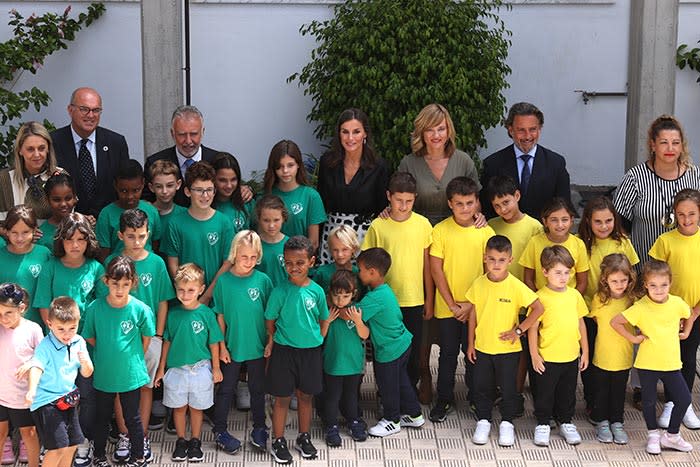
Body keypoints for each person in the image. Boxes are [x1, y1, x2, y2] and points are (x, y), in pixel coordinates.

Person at [32, 213, 104, 467]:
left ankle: (81, 441)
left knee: (86, 395)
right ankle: (52, 442)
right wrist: (59, 337)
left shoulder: (95, 268)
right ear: (60, 240)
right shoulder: (51, 266)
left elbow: (100, 306)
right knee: (54, 397)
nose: (75, 245)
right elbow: (43, 305)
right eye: (70, 239)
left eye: (81, 240)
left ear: (89, 242)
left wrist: (80, 341)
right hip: (55, 347)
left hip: (84, 345)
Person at [105, 208, 175, 461]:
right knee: (119, 388)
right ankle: (124, 435)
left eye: (142, 236)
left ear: (149, 234)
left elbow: (164, 301)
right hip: (119, 340)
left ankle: (141, 437)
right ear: (120, 234)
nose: (137, 242)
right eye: (131, 236)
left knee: (145, 387)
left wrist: (157, 335)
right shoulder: (113, 261)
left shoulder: (156, 263)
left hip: (148, 338)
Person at [611, 260, 697, 454]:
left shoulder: (676, 303)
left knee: (683, 399)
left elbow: (690, 314)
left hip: (672, 363)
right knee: (648, 401)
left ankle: (672, 436)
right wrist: (633, 337)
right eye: (653, 285)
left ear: (670, 283)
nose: (659, 290)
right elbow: (615, 322)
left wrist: (687, 332)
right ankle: (653, 434)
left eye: (664, 285)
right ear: (646, 285)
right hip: (648, 364)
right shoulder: (641, 307)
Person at [465, 235, 543, 446]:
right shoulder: (478, 284)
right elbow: (473, 313)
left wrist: (519, 331)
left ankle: (507, 423)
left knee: (509, 388)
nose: (496, 264)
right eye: (491, 259)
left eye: (501, 260)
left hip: (508, 350)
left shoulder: (516, 286)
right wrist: (471, 343)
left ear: (510, 260)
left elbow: (538, 308)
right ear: (484, 259)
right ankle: (483, 420)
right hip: (482, 348)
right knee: (482, 386)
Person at [428, 176, 494, 423]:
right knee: (446, 354)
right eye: (459, 204)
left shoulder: (486, 232)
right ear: (450, 204)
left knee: (474, 354)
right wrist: (452, 304)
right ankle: (444, 399)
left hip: (475, 308)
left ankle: (476, 398)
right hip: (448, 308)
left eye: (470, 203)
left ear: (477, 203)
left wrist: (470, 304)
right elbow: (436, 270)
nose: (465, 209)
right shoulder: (441, 231)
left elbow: (490, 272)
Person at [361, 172, 434, 391]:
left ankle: (408, 397)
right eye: (398, 200)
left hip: (414, 299)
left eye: (409, 201)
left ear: (415, 198)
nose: (403, 206)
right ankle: (386, 396)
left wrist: (429, 299)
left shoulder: (423, 224)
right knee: (385, 352)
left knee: (411, 352)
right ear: (388, 196)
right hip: (386, 303)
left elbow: (427, 265)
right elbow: (368, 265)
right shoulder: (378, 226)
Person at [82, 256, 155, 467]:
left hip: (130, 375)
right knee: (102, 416)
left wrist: (130, 357)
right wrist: (107, 351)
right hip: (104, 373)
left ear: (133, 282)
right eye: (115, 284)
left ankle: (138, 456)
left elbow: (147, 338)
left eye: (125, 284)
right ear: (106, 281)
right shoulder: (95, 308)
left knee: (132, 416)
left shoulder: (140, 309)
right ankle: (99, 455)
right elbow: (90, 336)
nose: (120, 289)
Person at [264, 236, 330, 464]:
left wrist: (318, 338)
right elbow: (270, 320)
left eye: (300, 262)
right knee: (281, 398)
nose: (294, 267)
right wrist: (274, 340)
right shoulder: (280, 291)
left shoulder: (318, 292)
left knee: (305, 396)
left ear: (311, 262)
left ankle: (303, 437)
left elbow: (323, 319)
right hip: (284, 352)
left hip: (310, 352)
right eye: (289, 262)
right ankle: (278, 440)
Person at [211, 230, 272, 453]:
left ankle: (259, 428)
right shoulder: (224, 282)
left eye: (253, 257)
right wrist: (221, 347)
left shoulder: (263, 280)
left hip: (257, 346)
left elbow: (269, 316)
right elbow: (220, 317)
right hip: (231, 347)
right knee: (226, 390)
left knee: (257, 390)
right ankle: (220, 430)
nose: (249, 262)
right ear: (235, 254)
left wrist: (270, 342)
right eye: (244, 256)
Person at [155, 263, 223, 463]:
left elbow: (214, 343)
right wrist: (161, 369)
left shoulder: (206, 313)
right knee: (178, 408)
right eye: (181, 290)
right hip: (176, 370)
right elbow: (167, 342)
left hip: (201, 368)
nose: (185, 294)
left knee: (196, 408)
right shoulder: (173, 314)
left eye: (191, 290)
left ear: (201, 289)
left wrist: (217, 368)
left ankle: (195, 441)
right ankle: (181, 440)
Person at [577, 197, 639, 414]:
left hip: (618, 312)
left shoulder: (623, 242)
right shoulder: (581, 244)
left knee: (614, 357)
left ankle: (612, 405)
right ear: (587, 222)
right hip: (589, 310)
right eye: (598, 222)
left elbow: (632, 274)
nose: (604, 226)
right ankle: (592, 400)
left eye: (608, 221)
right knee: (591, 354)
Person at [614, 115, 700, 266]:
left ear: (682, 147)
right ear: (653, 145)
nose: (670, 148)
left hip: (686, 269)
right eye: (663, 143)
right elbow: (619, 226)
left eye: (675, 143)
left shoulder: (695, 176)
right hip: (644, 271)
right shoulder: (634, 178)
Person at [356, 248, 425, 437]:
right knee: (402, 382)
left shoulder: (373, 298)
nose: (357, 272)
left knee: (387, 385)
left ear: (372, 273)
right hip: (402, 344)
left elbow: (353, 313)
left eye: (360, 269)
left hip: (389, 350)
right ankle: (414, 414)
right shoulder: (385, 291)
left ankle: (392, 420)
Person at [648, 189, 700, 429]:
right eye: (681, 214)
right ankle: (671, 403)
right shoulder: (665, 241)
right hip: (666, 313)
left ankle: (684, 404)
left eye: (691, 213)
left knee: (688, 359)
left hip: (696, 312)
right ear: (674, 214)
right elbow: (653, 276)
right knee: (670, 359)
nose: (686, 219)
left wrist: (692, 314)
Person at [529, 246, 589, 447]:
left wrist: (585, 352)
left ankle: (566, 421)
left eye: (567, 272)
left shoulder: (574, 296)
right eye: (558, 272)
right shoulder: (540, 298)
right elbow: (532, 328)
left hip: (571, 356)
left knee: (567, 392)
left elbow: (581, 323)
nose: (563, 277)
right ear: (545, 272)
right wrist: (534, 355)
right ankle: (543, 423)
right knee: (545, 392)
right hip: (548, 356)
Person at [25, 297, 94, 467]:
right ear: (49, 324)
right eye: (61, 329)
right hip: (47, 403)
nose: (67, 334)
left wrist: (85, 363)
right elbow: (36, 367)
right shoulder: (45, 346)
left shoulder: (79, 342)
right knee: (57, 449)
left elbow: (87, 373)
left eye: (72, 328)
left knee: (72, 445)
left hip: (68, 400)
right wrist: (32, 389)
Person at [317, 108, 390, 263]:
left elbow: (382, 209)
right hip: (333, 237)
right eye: (345, 132)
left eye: (356, 132)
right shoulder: (327, 162)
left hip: (363, 238)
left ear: (365, 134)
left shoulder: (378, 166)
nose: (350, 138)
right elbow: (320, 203)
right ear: (339, 134)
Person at [480, 102, 571, 220]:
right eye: (521, 130)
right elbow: (487, 208)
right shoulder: (493, 164)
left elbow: (563, 207)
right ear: (511, 130)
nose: (527, 136)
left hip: (543, 234)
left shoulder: (556, 163)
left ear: (540, 129)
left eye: (532, 129)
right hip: (504, 235)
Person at [50, 87, 129, 218]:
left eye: (96, 110)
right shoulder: (53, 142)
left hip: (107, 224)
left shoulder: (116, 143)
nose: (91, 115)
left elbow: (124, 185)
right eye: (84, 109)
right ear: (70, 110)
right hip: (67, 226)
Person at [397, 103, 481, 225]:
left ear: (448, 131)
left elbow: (476, 201)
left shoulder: (464, 161)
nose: (436, 135)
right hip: (418, 231)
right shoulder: (408, 163)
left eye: (441, 129)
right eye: (429, 130)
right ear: (421, 132)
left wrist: (479, 217)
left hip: (456, 230)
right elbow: (398, 200)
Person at [587, 254, 636, 444]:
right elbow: (594, 319)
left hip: (623, 356)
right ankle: (602, 421)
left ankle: (617, 422)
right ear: (605, 280)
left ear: (630, 279)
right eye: (614, 280)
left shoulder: (632, 300)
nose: (620, 284)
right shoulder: (599, 299)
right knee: (601, 390)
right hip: (602, 355)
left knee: (618, 391)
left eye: (624, 280)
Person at [162, 161, 234, 288]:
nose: (205, 195)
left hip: (215, 297)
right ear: (187, 191)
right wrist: (186, 292)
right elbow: (173, 264)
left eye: (209, 190)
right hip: (186, 298)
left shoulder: (224, 222)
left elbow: (227, 263)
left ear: (214, 191)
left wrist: (207, 296)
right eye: (199, 190)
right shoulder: (175, 224)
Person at [323, 270, 369, 446]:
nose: (340, 300)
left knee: (351, 395)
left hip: (353, 364)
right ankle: (331, 426)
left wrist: (358, 321)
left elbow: (365, 335)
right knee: (332, 396)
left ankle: (353, 421)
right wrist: (326, 321)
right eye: (337, 296)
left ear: (354, 294)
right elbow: (320, 336)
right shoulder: (329, 312)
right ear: (330, 294)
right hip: (333, 364)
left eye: (345, 296)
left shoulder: (356, 311)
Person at [0, 283, 43, 467]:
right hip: (1, 395)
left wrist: (31, 363)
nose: (3, 318)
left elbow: (43, 359)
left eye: (8, 313)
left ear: (22, 308)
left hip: (23, 397)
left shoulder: (33, 329)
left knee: (29, 434)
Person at [143, 105, 219, 206]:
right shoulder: (154, 162)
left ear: (202, 132)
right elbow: (147, 201)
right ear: (172, 134)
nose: (188, 141)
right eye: (182, 134)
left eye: (193, 134)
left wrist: (245, 190)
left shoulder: (217, 160)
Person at [263, 140, 326, 252]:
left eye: (290, 165)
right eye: (280, 166)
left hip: (299, 263)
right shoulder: (265, 195)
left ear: (298, 165)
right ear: (273, 168)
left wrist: (294, 262)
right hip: (270, 263)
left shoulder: (311, 196)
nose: (285, 171)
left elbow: (313, 242)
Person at [519, 197, 589, 294]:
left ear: (571, 220)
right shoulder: (534, 242)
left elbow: (582, 282)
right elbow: (528, 279)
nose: (560, 225)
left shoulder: (578, 244)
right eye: (554, 220)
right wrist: (538, 301)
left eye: (564, 220)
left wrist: (571, 301)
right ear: (545, 221)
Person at [95, 160, 162, 260]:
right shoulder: (106, 214)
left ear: (143, 184)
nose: (130, 196)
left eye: (136, 190)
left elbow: (155, 245)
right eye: (124, 191)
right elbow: (104, 253)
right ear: (115, 186)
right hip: (119, 270)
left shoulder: (151, 211)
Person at [0, 121, 65, 221]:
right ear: (20, 150)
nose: (37, 154)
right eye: (30, 149)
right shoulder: (4, 179)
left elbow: (68, 219)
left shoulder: (61, 176)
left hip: (53, 235)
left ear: (48, 149)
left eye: (41, 148)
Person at [0, 205, 52, 327]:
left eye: (25, 232)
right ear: (6, 231)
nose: (19, 238)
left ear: (35, 230)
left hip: (37, 327)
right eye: (14, 232)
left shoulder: (44, 254)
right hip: (4, 329)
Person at [486, 175, 543, 281]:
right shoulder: (491, 226)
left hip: (524, 289)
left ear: (517, 196)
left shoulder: (535, 227)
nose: (503, 209)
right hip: (496, 287)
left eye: (506, 202)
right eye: (496, 206)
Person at [146, 160, 187, 250]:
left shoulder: (185, 214)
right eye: (159, 186)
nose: (164, 191)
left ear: (178, 184)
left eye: (169, 185)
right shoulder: (145, 213)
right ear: (151, 187)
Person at [212, 152, 255, 233]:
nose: (229, 185)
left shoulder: (247, 203)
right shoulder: (206, 205)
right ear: (213, 179)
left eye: (233, 179)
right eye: (222, 180)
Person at [311, 225, 361, 293]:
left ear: (354, 248)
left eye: (345, 249)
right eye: (335, 250)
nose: (340, 254)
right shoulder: (321, 273)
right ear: (330, 249)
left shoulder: (359, 274)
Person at [37, 173, 79, 251]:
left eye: (68, 198)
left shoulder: (83, 226)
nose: (63, 204)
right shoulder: (40, 234)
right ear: (47, 201)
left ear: (75, 198)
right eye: (57, 200)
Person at [254, 195, 289, 287]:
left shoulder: (290, 245)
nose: (271, 225)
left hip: (284, 297)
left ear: (283, 218)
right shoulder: (253, 244)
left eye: (276, 220)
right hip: (260, 297)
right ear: (259, 219)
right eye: (266, 220)